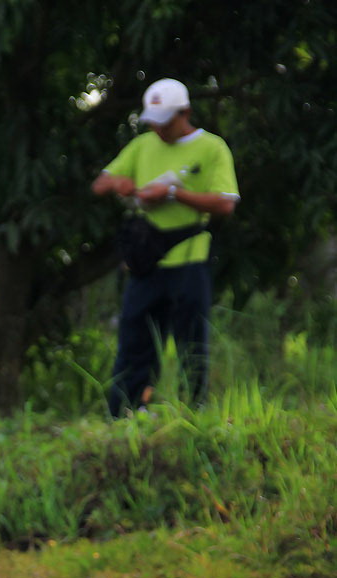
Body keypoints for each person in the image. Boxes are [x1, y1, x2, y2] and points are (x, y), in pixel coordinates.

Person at [92, 78, 239, 417]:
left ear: (185, 113)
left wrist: (174, 194)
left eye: (165, 122)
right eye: (153, 122)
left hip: (190, 260)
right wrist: (120, 182)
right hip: (146, 261)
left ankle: (193, 413)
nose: (158, 129)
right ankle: (126, 414)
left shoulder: (212, 148)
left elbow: (225, 204)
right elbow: (100, 183)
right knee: (134, 339)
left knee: (191, 341)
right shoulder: (142, 145)